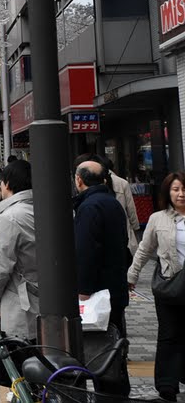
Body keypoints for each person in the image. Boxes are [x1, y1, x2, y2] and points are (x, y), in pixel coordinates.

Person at [73, 158, 130, 396]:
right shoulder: (111, 202)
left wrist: (83, 289)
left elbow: (86, 251)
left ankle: (108, 395)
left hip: (98, 292)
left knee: (100, 352)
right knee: (113, 348)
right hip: (115, 288)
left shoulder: (89, 207)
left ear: (79, 180)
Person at [127, 172, 185, 402]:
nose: (181, 194)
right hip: (170, 285)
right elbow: (144, 249)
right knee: (169, 335)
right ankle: (167, 385)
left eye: (184, 189)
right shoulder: (158, 219)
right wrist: (132, 274)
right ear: (167, 193)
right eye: (176, 189)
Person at [0, 159, 39, 341]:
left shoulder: (10, 217)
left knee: (21, 362)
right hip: (51, 304)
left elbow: (0, 268)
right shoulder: (49, 209)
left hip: (21, 306)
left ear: (7, 184)